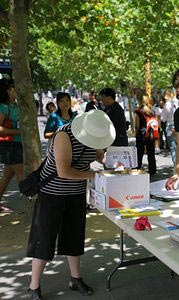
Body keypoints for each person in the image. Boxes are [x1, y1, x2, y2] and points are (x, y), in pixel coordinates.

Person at [27, 109, 115, 300]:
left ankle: (76, 279)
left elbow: (100, 155)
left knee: (74, 237)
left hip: (75, 194)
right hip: (52, 194)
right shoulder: (63, 135)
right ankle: (34, 286)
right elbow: (63, 171)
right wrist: (96, 175)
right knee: (44, 238)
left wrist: (114, 160)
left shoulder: (94, 137)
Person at [0, 78, 23, 213]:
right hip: (10, 145)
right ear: (8, 91)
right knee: (22, 175)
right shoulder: (3, 107)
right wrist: (18, 131)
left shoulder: (15, 105)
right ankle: (31, 206)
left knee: (6, 177)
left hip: (16, 144)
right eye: (15, 87)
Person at [134, 94, 156, 175]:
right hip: (150, 134)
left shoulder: (138, 111)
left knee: (139, 153)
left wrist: (135, 134)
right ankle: (153, 170)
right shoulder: (152, 111)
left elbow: (137, 125)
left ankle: (137, 168)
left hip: (141, 134)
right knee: (151, 153)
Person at [160, 89, 179, 164]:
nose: (164, 97)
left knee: (173, 148)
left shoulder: (168, 104)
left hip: (170, 126)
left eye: (165, 95)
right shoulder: (178, 102)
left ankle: (176, 166)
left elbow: (163, 119)